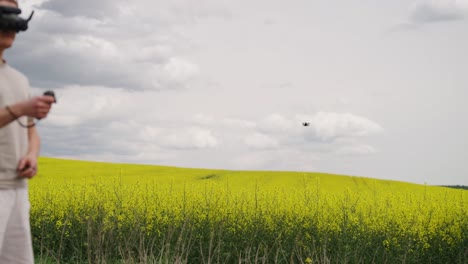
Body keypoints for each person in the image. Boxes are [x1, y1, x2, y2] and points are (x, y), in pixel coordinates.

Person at [0, 0, 55, 262]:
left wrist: (32, 155)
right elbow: (22, 113)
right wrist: (21, 108)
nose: (10, 24)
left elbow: (31, 132)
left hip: (17, 191)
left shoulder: (19, 79)